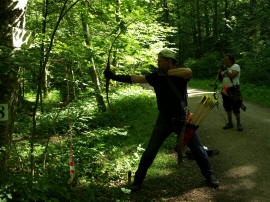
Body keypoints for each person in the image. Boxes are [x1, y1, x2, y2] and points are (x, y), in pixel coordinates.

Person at [104, 49, 219, 191]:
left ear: (169, 62)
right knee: (150, 151)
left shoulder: (179, 75)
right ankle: (138, 181)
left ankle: (210, 177)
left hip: (182, 119)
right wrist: (114, 77)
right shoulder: (156, 76)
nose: (157, 63)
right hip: (164, 120)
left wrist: (166, 73)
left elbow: (188, 71)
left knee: (198, 150)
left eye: (160, 61)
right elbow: (136, 78)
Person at [218, 54, 243, 131]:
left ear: (231, 60)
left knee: (236, 106)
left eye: (226, 59)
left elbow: (232, 76)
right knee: (227, 106)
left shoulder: (235, 66)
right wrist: (219, 72)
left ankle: (239, 124)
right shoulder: (225, 68)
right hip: (225, 88)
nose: (224, 61)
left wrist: (225, 70)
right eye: (224, 59)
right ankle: (230, 123)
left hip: (234, 88)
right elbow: (220, 80)